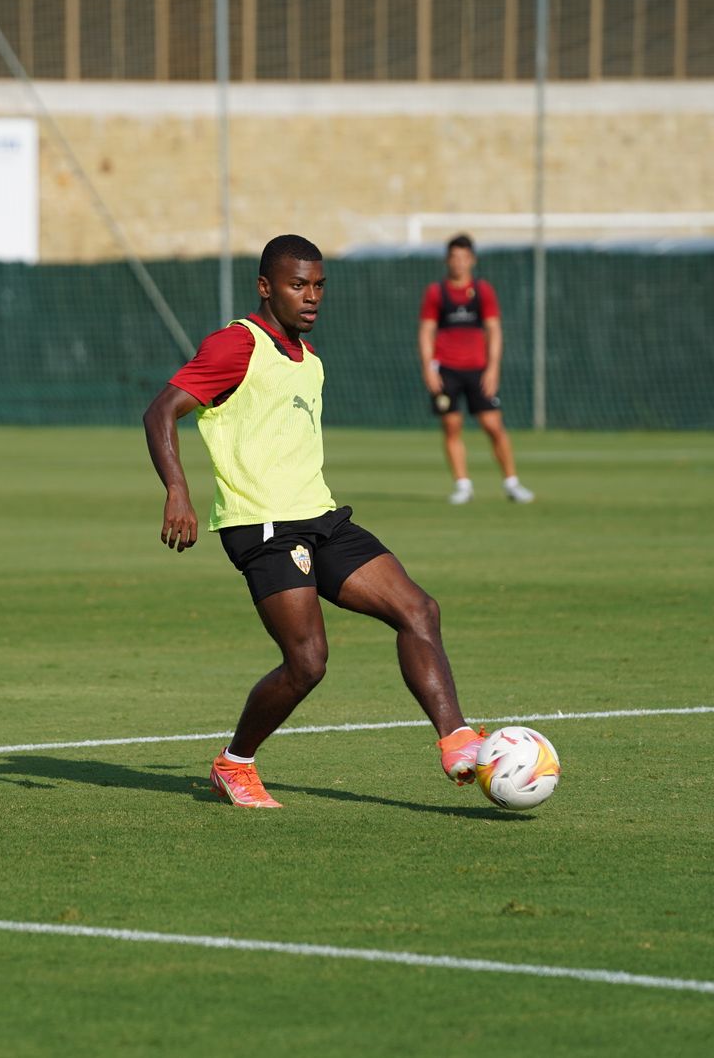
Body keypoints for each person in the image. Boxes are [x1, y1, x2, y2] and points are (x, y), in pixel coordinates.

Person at [142, 235, 485, 809]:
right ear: (265, 287)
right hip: (264, 526)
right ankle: (235, 764)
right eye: (298, 285)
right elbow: (160, 410)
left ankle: (457, 741)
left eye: (318, 285)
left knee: (419, 609)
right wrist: (178, 490)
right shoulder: (237, 344)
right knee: (307, 662)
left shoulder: (310, 361)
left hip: (320, 518)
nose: (311, 296)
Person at [417, 234, 534, 505]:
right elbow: (426, 331)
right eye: (454, 257)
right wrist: (428, 369)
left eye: (464, 257)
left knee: (493, 425)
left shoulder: (482, 291)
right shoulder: (437, 292)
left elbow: (494, 330)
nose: (459, 263)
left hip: (478, 370)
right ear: (448, 260)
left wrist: (493, 369)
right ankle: (463, 485)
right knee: (451, 425)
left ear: (472, 260)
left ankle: (512, 483)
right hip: (445, 369)